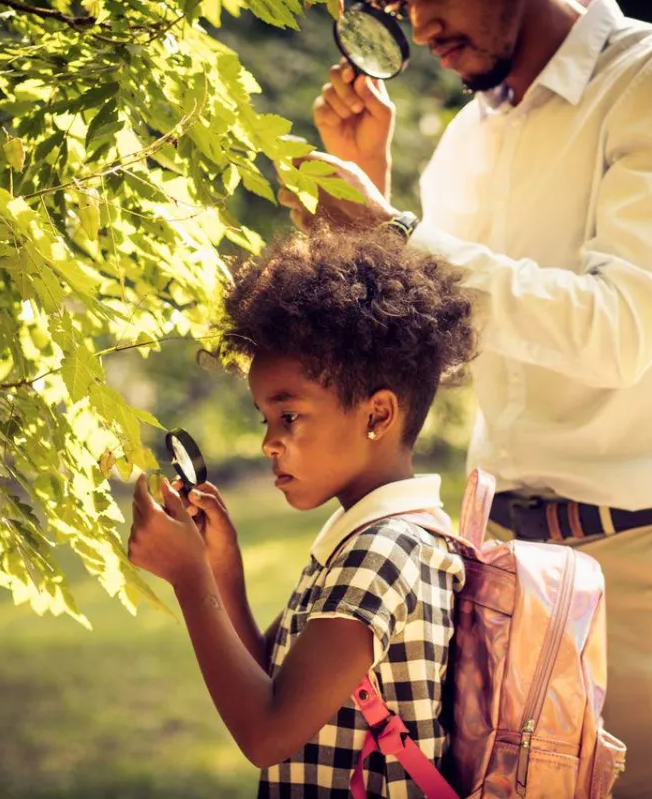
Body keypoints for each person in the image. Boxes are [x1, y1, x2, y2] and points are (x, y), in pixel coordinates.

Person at [281, 1, 652, 797]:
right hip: (506, 579)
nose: (422, 24)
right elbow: (459, 349)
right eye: (402, 6)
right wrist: (372, 210)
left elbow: (617, 330)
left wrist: (398, 232)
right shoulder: (466, 139)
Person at [127, 229, 476, 797]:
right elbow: (273, 684)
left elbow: (267, 736)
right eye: (266, 419)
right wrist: (223, 571)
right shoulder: (367, 536)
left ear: (378, 414)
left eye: (288, 417)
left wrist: (190, 579)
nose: (269, 442)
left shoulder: (382, 553)